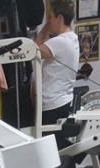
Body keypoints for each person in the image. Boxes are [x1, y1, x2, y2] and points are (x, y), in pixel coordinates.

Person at [35, 0, 80, 147]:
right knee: (58, 149)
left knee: (52, 151)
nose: (48, 22)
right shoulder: (73, 38)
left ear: (59, 18)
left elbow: (31, 51)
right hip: (62, 102)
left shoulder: (60, 42)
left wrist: (45, 28)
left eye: (50, 17)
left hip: (53, 106)